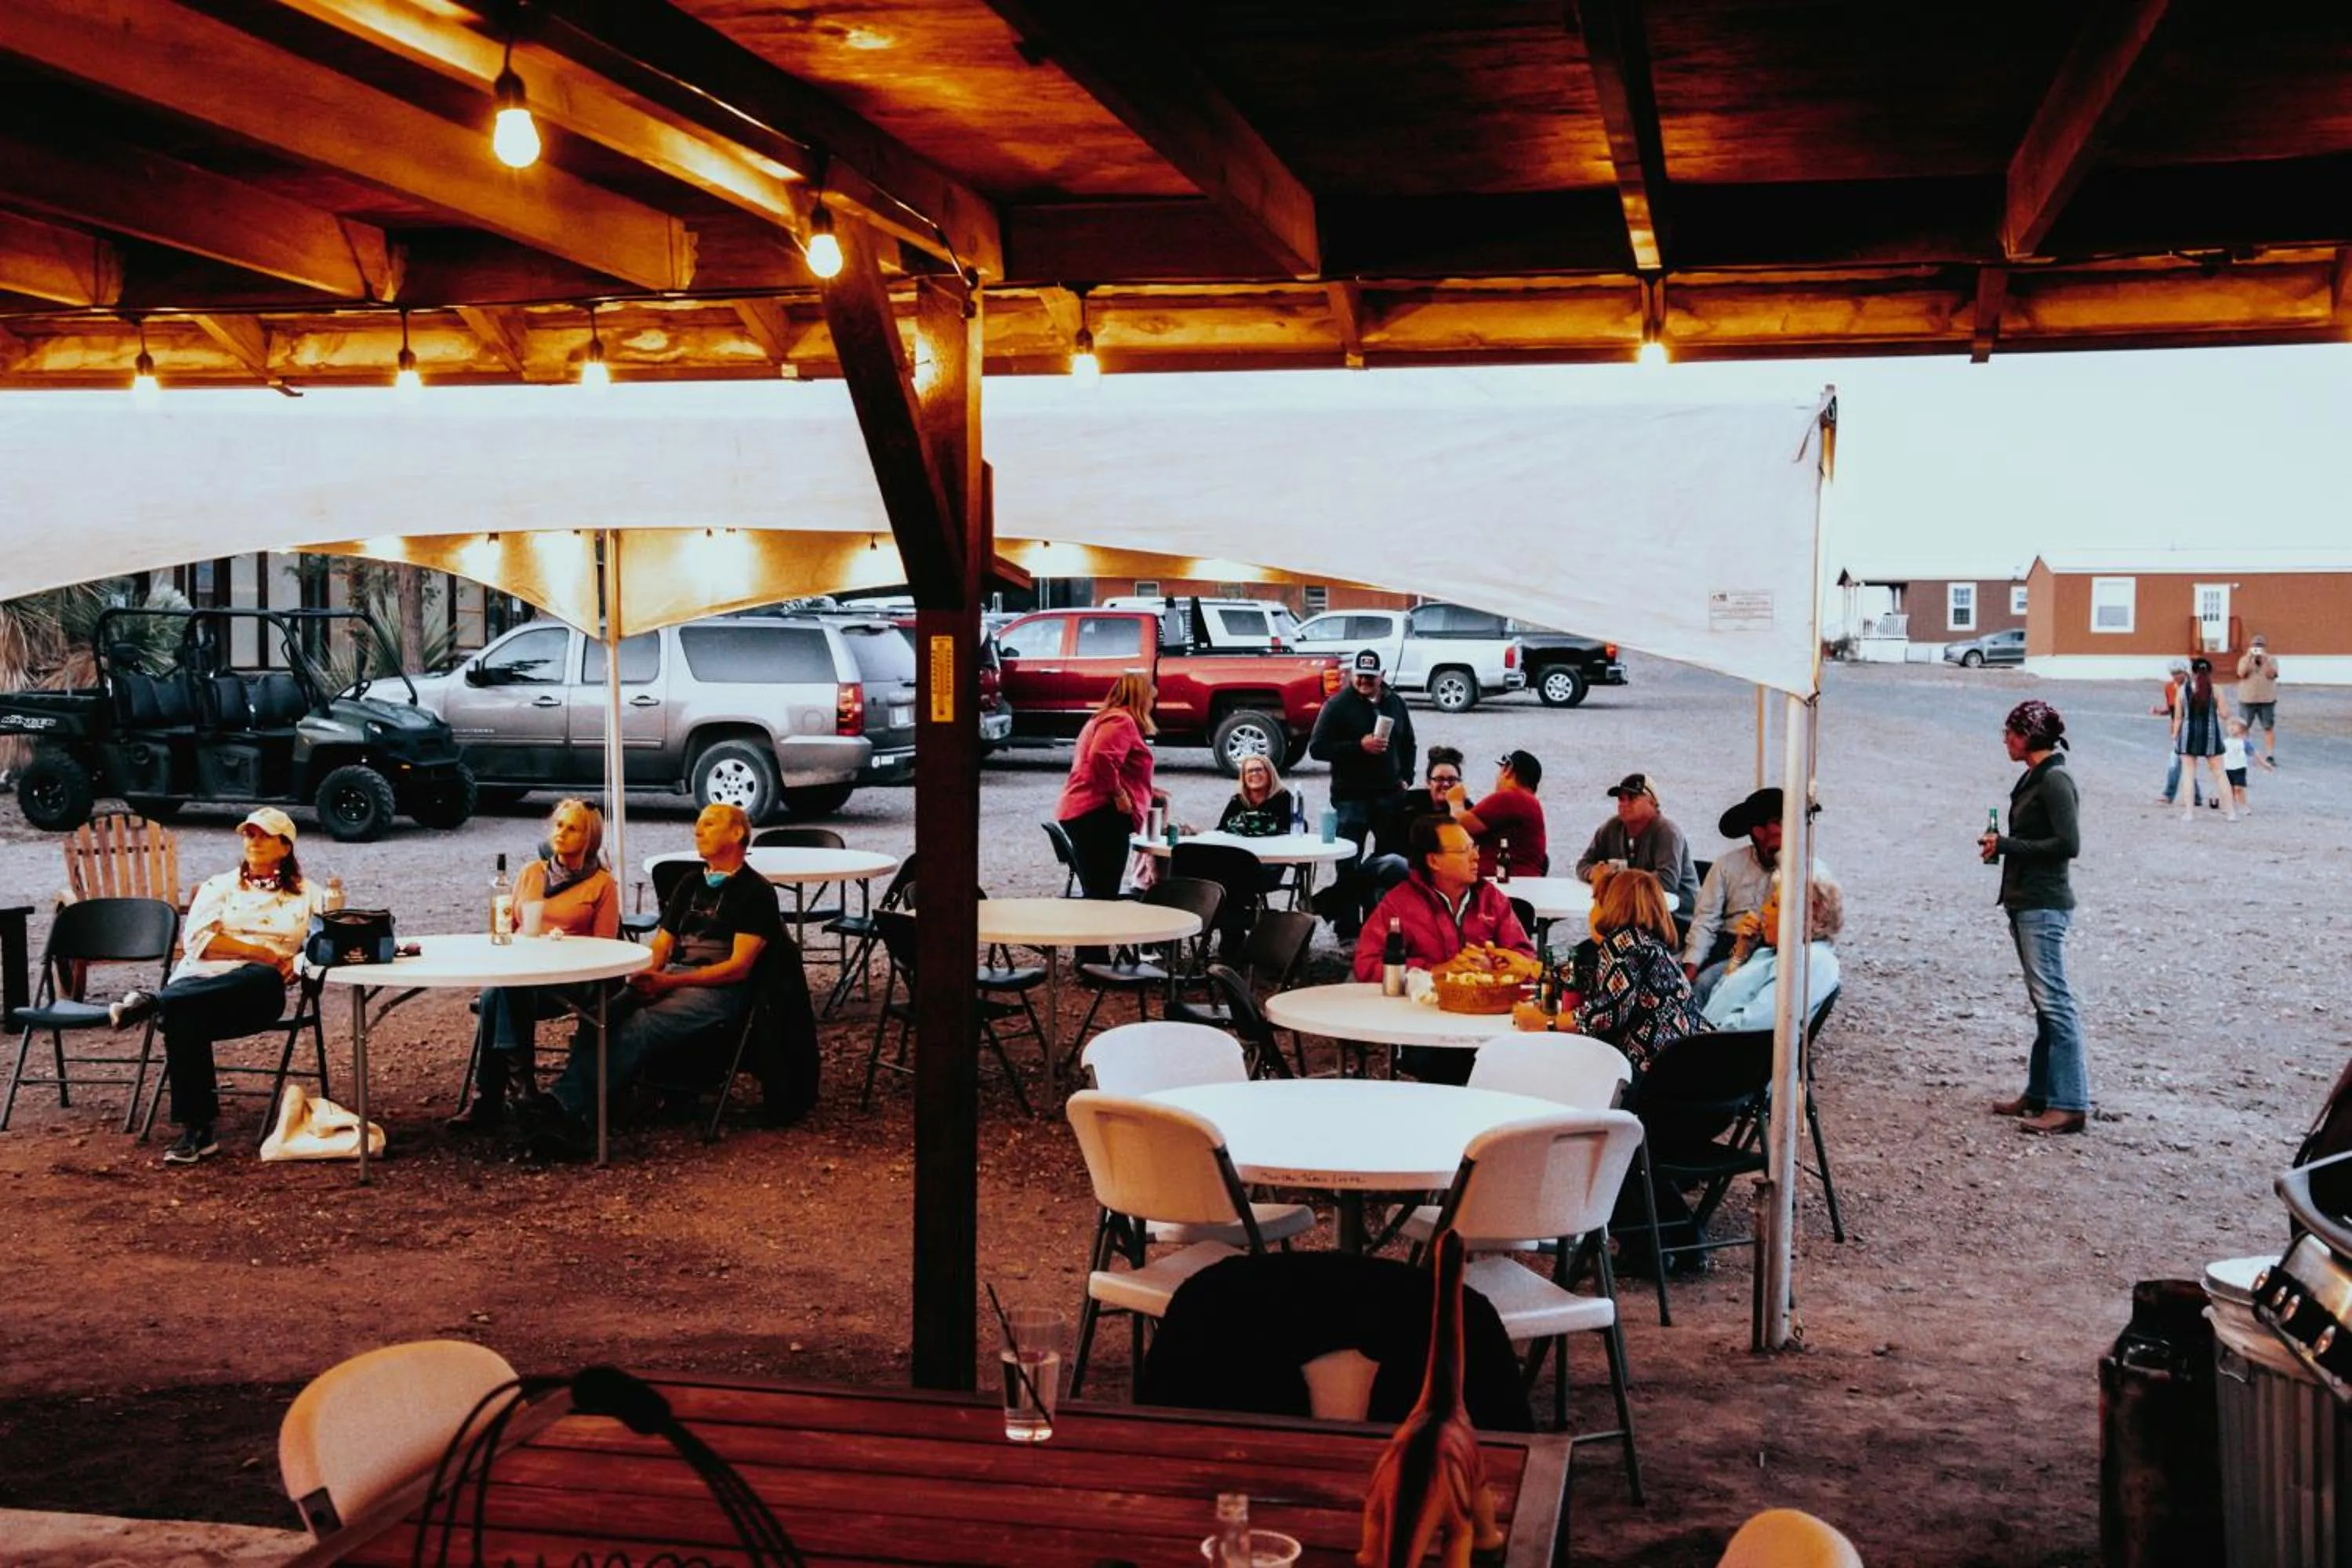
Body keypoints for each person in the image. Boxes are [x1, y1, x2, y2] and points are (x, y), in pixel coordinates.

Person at [527, 802, 782, 1155]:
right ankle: (595, 1109)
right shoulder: (691, 882)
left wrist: (669, 984)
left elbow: (739, 967)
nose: (698, 830)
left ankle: (562, 1108)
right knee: (599, 1015)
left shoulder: (755, 891)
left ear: (737, 833)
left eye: (709, 824)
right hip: (674, 975)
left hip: (720, 989)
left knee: (642, 1025)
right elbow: (662, 944)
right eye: (698, 824)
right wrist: (647, 973)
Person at [107, 807, 326, 1166]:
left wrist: (297, 964)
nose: (253, 842)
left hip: (254, 997)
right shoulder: (220, 886)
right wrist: (264, 952)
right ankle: (198, 1132)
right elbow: (199, 942)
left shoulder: (309, 894)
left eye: (264, 836)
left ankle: (154, 1002)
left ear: (286, 847)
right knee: (183, 1017)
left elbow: (326, 947)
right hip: (200, 982)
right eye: (249, 834)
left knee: (261, 976)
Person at [449, 797, 621, 1133]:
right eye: (559, 825)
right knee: (502, 992)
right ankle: (523, 1094)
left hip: (570, 980)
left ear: (589, 838)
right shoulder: (531, 873)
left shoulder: (602, 884)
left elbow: (606, 950)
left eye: (572, 828)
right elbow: (508, 929)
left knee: (497, 996)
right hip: (523, 974)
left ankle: (491, 1099)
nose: (561, 833)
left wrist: (561, 947)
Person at [1355, 816, 1534, 1085]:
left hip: (1491, 1020)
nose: (1476, 856)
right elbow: (1367, 964)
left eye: (1474, 847)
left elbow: (1526, 958)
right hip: (1427, 1028)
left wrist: (1497, 965)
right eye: (1464, 850)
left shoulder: (1490, 898)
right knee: (1445, 1064)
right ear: (1434, 861)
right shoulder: (1400, 904)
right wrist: (1435, 972)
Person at [1980, 699, 2090, 1136]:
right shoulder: (2036, 776)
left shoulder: (2055, 780)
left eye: (2010, 733)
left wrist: (2008, 846)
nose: (2005, 740)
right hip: (2027, 899)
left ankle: (2070, 1103)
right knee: (2044, 1004)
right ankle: (2041, 1092)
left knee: (2055, 1003)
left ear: (2029, 736)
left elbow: (2068, 844)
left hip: (2043, 903)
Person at [1308, 649, 1417, 938]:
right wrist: (1359, 746)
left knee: (1388, 864)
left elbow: (1409, 743)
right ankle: (1346, 928)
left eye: (1371, 677)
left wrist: (1407, 777)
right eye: (1360, 676)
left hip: (1389, 796)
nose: (1364, 682)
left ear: (1382, 676)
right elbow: (1317, 748)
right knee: (1348, 862)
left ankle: (1376, 925)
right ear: (1351, 675)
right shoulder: (1337, 705)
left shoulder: (1395, 703)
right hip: (1351, 797)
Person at [1573, 867, 1704, 1076]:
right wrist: (1538, 970)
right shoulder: (1647, 945)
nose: (1590, 913)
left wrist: (1549, 1023)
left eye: (1596, 903)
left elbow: (1610, 1012)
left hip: (1658, 1074)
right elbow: (1597, 976)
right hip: (1691, 1062)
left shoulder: (1623, 943)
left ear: (1611, 906)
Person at [1055, 671, 1167, 903]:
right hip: (1099, 815)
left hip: (1085, 812)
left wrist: (1143, 789)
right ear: (1140, 697)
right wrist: (1118, 793)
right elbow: (1101, 757)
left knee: (1097, 890)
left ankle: (1094, 927)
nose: (1151, 704)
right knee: (1103, 895)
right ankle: (1097, 928)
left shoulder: (1103, 718)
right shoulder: (1121, 721)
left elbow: (1110, 764)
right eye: (1150, 698)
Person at [1703, 877, 1843, 1032]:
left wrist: (1701, 1034)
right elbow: (1719, 998)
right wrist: (1741, 951)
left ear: (1807, 918)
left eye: (1775, 905)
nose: (1764, 910)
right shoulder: (1769, 953)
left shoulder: (1811, 960)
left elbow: (1755, 1024)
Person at [1682, 786, 1782, 978]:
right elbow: (1706, 920)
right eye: (1778, 823)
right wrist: (1691, 967)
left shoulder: (1801, 872)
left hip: (1774, 952)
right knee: (1702, 984)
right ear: (1758, 832)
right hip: (1728, 947)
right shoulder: (1727, 865)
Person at [1573, 772, 1699, 915]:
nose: (1624, 804)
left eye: (1632, 798)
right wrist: (1595, 873)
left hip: (1675, 915)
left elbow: (1667, 882)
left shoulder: (1667, 832)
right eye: (1621, 799)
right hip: (1635, 912)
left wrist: (1620, 880)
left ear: (1652, 802)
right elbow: (1583, 864)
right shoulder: (1612, 828)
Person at [1360, 746, 1465, 897]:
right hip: (1395, 864)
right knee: (1395, 864)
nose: (1446, 785)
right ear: (1428, 782)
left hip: (1436, 873)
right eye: (1439, 779)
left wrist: (1455, 808)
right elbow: (1386, 844)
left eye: (1452, 780)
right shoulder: (1408, 803)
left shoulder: (1465, 810)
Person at [1450, 750, 1547, 881]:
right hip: (1521, 881)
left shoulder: (1511, 798)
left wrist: (1455, 800)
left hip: (1504, 883)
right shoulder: (1529, 802)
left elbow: (1459, 827)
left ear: (1508, 769)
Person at [2172, 656, 2234, 822]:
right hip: (2211, 734)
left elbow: (2178, 717)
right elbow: (2224, 714)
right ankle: (2231, 813)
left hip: (2188, 734)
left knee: (2188, 774)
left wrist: (2175, 735)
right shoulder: (2216, 689)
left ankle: (2189, 813)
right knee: (2220, 774)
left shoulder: (2182, 690)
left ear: (2191, 672)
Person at [2152, 659, 2204, 809]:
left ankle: (2169, 794)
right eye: (2174, 673)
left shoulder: (2193, 688)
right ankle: (2195, 796)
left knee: (2176, 761)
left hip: (2191, 729)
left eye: (2179, 673)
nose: (2176, 676)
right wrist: (2159, 711)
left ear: (2186, 672)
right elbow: (2172, 709)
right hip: (2177, 730)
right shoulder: (2169, 688)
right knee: (2185, 762)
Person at [1218, 755, 1294, 837]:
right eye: (1250, 771)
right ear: (1244, 777)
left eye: (1259, 770)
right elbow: (1221, 831)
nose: (1254, 774)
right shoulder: (1238, 800)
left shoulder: (1283, 798)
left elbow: (1290, 831)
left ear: (1270, 773)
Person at [2237, 635, 2281, 769]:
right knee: (2244, 727)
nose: (2258, 649)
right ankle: (2245, 753)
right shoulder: (2244, 659)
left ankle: (2270, 755)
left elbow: (2271, 675)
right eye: (2255, 646)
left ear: (2265, 647)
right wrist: (2249, 659)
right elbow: (2241, 674)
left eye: (2260, 646)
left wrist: (2265, 661)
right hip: (2247, 698)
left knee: (2268, 727)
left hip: (2266, 699)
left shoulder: (2271, 660)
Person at [2222, 717, 2252, 816]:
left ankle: (2243, 805)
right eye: (2230, 726)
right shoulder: (2225, 742)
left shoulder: (2244, 742)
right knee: (2228, 788)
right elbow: (2219, 755)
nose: (2231, 728)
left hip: (2239, 768)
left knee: (2239, 788)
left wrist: (2264, 765)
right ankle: (2228, 806)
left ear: (2242, 729)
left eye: (2235, 726)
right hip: (2227, 768)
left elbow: (2253, 753)